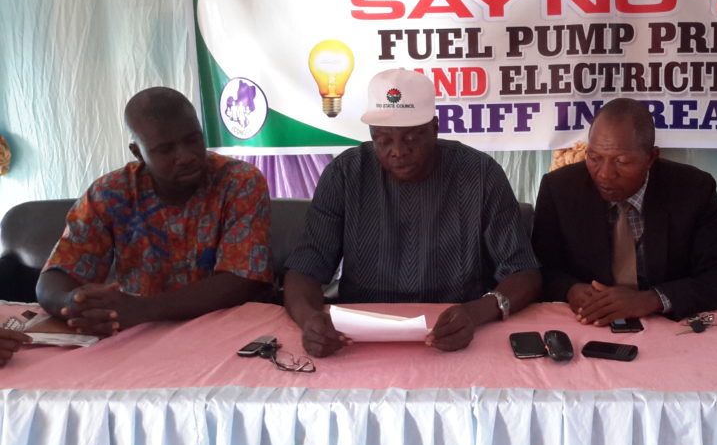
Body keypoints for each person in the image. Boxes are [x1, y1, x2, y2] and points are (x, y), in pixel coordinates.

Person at [284, 68, 541, 355]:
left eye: (411, 138)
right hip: (360, 339)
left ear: (434, 127)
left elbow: (523, 273)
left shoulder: (480, 174)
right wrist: (310, 321)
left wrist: (475, 313)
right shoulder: (345, 174)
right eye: (383, 139)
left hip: (459, 334)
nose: (397, 151)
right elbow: (305, 268)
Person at [36, 87, 273, 334]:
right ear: (138, 152)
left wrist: (143, 309)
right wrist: (72, 305)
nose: (186, 156)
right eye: (165, 149)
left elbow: (243, 280)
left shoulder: (239, 182)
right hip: (140, 335)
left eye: (193, 139)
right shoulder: (111, 192)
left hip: (228, 331)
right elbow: (54, 278)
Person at [533, 98, 717, 325]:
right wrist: (570, 290)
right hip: (588, 325)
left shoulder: (693, 189)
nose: (605, 174)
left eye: (622, 161)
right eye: (595, 158)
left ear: (651, 157)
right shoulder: (559, 189)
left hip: (668, 328)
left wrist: (653, 299)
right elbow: (538, 269)